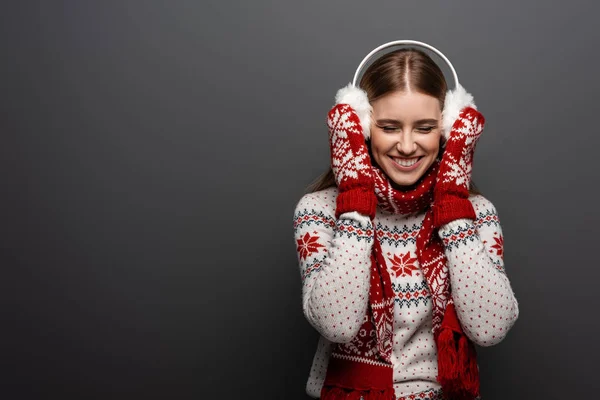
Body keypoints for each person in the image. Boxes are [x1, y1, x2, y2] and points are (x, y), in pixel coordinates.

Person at [292, 45, 519, 400]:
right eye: (389, 127)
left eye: (425, 127)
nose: (408, 145)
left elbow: (490, 328)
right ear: (361, 126)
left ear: (449, 130)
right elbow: (338, 323)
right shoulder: (319, 210)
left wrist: (453, 205)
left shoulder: (476, 212)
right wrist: (355, 197)